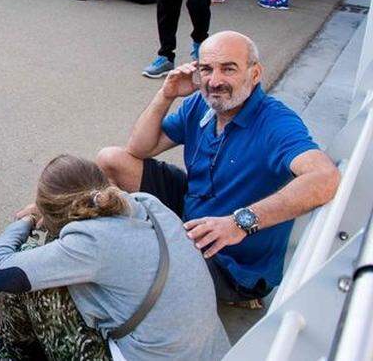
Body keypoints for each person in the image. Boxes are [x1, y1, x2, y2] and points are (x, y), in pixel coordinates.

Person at [97, 32, 340, 303]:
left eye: (228, 69)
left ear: (255, 73)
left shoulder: (276, 123)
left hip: (232, 262)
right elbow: (140, 148)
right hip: (194, 213)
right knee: (111, 159)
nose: (215, 81)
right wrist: (165, 96)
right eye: (206, 69)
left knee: (123, 266)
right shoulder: (200, 104)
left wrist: (240, 222)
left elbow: (324, 176)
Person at [0, 155, 230, 361]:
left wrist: (28, 220)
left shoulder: (89, 242)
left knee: (36, 279)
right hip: (206, 351)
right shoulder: (145, 203)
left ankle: (13, 355)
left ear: (51, 212)